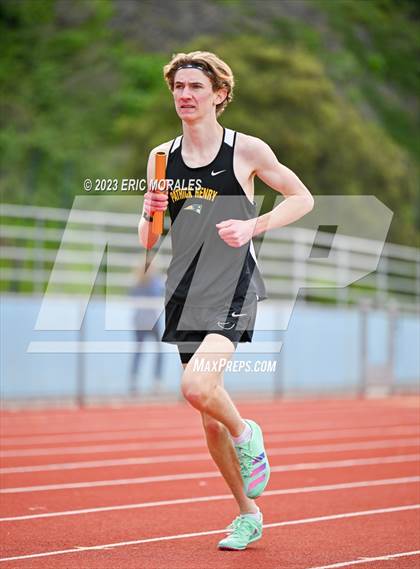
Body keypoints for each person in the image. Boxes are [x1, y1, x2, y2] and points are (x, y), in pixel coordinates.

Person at [138, 51, 314, 551]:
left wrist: (252, 224)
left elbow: (303, 198)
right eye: (178, 88)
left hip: (233, 285)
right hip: (183, 290)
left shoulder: (246, 150)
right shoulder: (160, 158)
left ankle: (247, 433)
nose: (186, 96)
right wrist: (149, 212)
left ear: (219, 94)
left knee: (196, 386)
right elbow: (149, 240)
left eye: (196, 87)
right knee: (206, 416)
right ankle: (248, 513)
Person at [129, 265, 164, 396]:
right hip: (146, 322)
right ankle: (137, 382)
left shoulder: (140, 282)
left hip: (147, 321)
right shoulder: (148, 283)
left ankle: (153, 381)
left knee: (153, 352)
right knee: (140, 352)